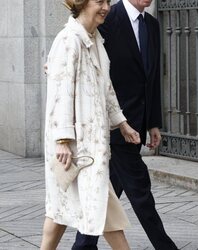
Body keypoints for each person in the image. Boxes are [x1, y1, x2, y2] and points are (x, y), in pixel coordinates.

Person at [72, 0, 179, 249]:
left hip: (136, 125)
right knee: (140, 191)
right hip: (113, 125)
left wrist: (153, 122)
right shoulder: (107, 18)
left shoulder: (151, 24)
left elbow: (150, 78)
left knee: (107, 194)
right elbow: (86, 60)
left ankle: (83, 245)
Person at [40, 0, 141, 249]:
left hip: (91, 148)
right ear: (81, 4)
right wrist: (62, 140)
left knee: (71, 211)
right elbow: (60, 94)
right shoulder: (68, 40)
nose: (106, 7)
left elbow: (106, 88)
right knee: (60, 212)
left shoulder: (95, 40)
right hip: (75, 150)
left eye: (108, 1)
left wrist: (122, 123)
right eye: (99, 1)